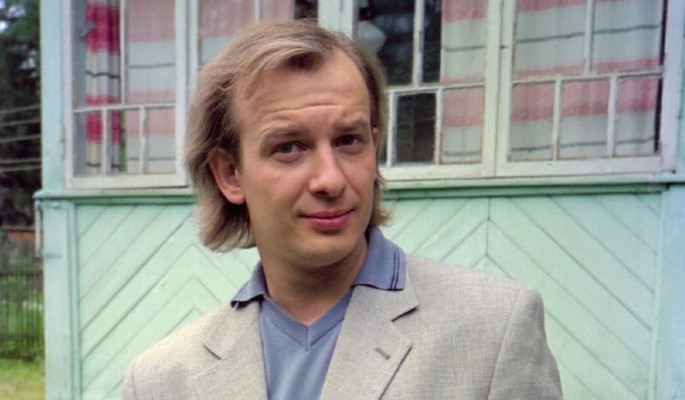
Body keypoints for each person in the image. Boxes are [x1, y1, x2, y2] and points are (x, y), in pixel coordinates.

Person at [122, 20, 562, 399]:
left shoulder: (495, 327)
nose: (330, 180)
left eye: (349, 140)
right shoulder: (162, 380)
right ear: (230, 174)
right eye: (289, 147)